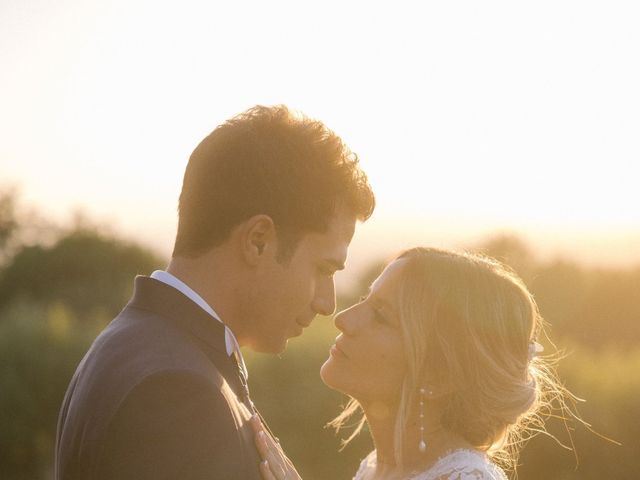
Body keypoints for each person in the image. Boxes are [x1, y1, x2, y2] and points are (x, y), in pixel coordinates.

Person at [54, 105, 375, 480]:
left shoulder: (135, 343)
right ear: (258, 241)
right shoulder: (177, 392)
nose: (327, 303)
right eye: (323, 269)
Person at [254, 247, 576, 480]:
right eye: (366, 300)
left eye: (381, 317)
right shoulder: (377, 469)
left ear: (439, 375)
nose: (344, 319)